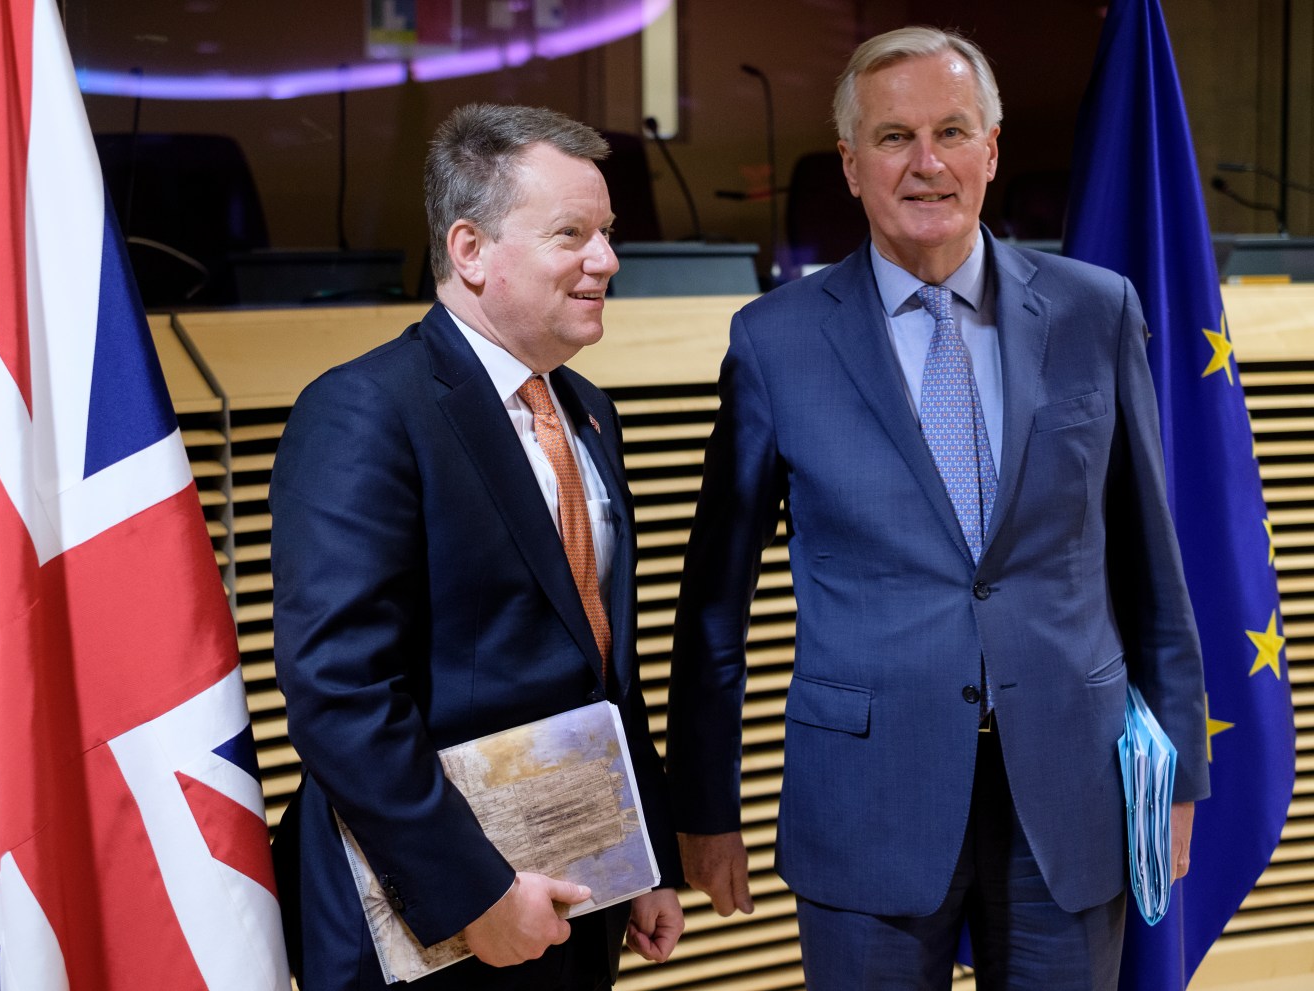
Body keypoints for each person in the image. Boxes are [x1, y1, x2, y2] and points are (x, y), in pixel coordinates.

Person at [665, 26, 1209, 990]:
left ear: (991, 151)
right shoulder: (774, 343)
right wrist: (704, 810)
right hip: (867, 804)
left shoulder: (1097, 309)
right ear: (849, 163)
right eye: (893, 138)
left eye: (953, 131)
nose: (927, 164)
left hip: (1074, 794)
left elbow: (1150, 561)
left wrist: (1181, 780)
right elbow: (715, 605)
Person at [270, 103, 684, 990]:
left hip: (577, 896)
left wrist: (642, 853)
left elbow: (605, 664)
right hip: (432, 923)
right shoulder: (363, 411)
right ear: (470, 250)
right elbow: (340, 695)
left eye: (607, 232)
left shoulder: (587, 410)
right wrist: (475, 894)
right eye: (572, 233)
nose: (606, 260)